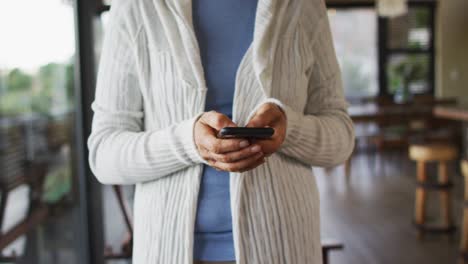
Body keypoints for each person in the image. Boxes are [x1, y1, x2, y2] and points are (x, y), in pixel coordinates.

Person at [87, 0, 355, 263]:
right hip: (167, 249)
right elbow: (104, 153)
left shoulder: (303, 6)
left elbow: (341, 136)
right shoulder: (136, 6)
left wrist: (290, 129)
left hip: (286, 246)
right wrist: (187, 143)